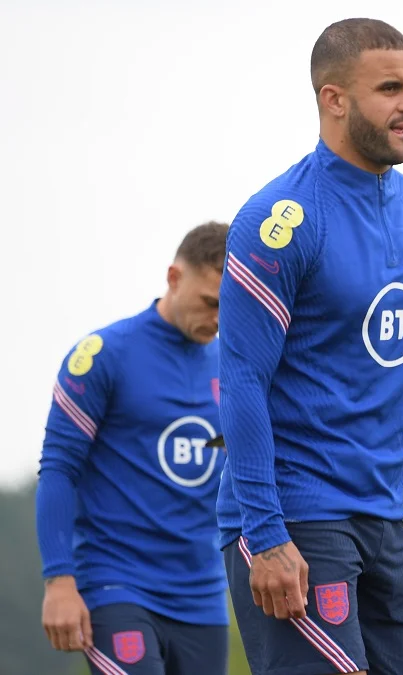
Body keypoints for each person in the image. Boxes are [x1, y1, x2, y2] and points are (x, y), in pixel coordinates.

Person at [215, 17, 403, 675]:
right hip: (294, 517)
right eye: (390, 88)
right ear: (333, 99)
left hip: (383, 519)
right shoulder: (279, 221)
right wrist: (266, 533)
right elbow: (242, 380)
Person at [36, 221, 231, 675]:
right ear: (174, 278)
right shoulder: (103, 355)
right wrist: (58, 580)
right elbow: (59, 468)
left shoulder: (235, 365)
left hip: (202, 595)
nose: (220, 319)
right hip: (116, 584)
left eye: (230, 306)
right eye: (210, 302)